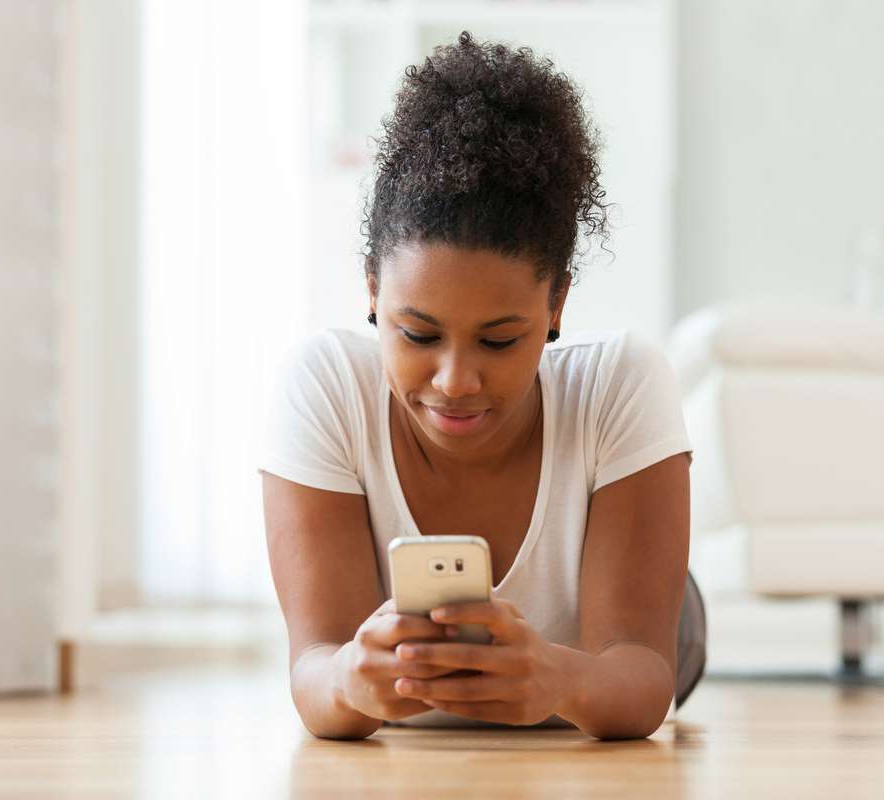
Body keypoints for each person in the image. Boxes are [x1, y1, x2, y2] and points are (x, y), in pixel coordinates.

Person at [259, 31, 704, 740]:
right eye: (417, 334)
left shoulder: (619, 382)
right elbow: (313, 672)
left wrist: (562, 677)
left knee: (658, 635)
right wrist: (347, 677)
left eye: (500, 340)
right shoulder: (325, 387)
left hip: (623, 644)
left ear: (556, 305)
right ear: (373, 291)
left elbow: (643, 680)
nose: (456, 382)